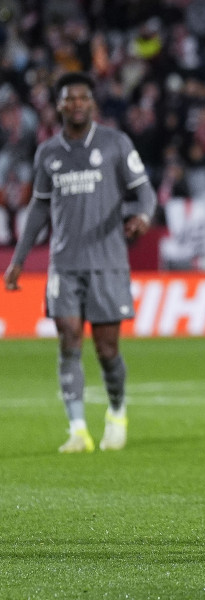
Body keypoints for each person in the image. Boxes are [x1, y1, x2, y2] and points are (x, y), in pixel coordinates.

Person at [3, 72, 156, 454]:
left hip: (108, 263)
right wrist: (19, 259)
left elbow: (145, 192)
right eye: (68, 99)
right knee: (69, 340)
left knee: (107, 349)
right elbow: (38, 207)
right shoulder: (48, 153)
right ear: (58, 106)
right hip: (64, 264)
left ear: (92, 104)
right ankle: (77, 429)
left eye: (82, 98)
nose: (75, 104)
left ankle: (117, 412)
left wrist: (142, 217)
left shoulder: (115, 143)